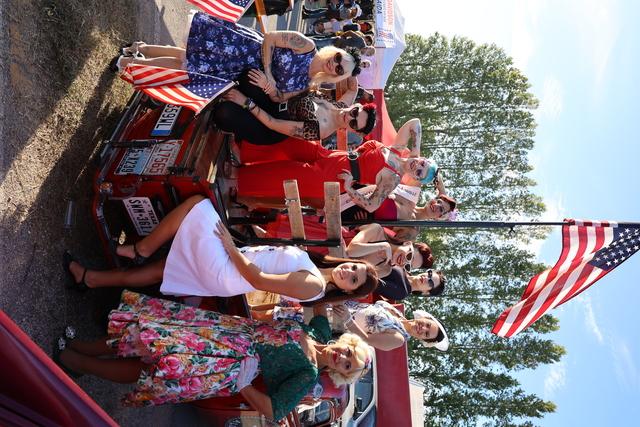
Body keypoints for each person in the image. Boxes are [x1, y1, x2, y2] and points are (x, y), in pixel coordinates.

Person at [55, 291, 373, 421]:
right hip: (227, 330)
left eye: (348, 365)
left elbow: (274, 410)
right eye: (349, 351)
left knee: (155, 365)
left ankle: (78, 363)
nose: (343, 356)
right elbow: (323, 299)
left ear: (341, 373)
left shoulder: (308, 375)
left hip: (225, 366)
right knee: (150, 333)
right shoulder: (319, 331)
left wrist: (244, 385)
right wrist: (343, 299)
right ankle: (82, 347)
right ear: (347, 342)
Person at [64, 196, 378, 304]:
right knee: (161, 271)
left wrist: (230, 246)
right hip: (231, 267)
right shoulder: (316, 266)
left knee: (198, 206)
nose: (349, 271)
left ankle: (140, 248)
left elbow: (259, 280)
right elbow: (269, 259)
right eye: (355, 267)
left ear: (347, 290)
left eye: (353, 279)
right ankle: (89, 279)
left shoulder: (314, 286)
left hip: (228, 271)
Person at [112, 12, 361, 102]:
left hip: (237, 72)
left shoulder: (307, 84)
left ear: (337, 77)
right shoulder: (306, 46)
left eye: (340, 69)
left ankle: (138, 48)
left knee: (185, 60)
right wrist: (268, 72)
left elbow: (278, 97)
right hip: (239, 48)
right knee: (185, 61)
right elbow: (270, 38)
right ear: (335, 52)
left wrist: (268, 86)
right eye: (339, 58)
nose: (335, 64)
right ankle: (128, 62)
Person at [235, 118, 437, 210]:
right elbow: (415, 123)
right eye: (422, 163)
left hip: (335, 177)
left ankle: (237, 178)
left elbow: (372, 205)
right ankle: (242, 150)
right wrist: (415, 152)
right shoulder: (398, 148)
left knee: (286, 174)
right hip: (333, 156)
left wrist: (349, 188)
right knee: (292, 142)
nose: (417, 167)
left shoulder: (392, 178)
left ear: (415, 178)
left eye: (420, 172)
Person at [215, 73, 376, 145]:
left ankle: (231, 128)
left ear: (353, 130)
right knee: (250, 76)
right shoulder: (343, 106)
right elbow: (353, 89)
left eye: (354, 124)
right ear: (357, 106)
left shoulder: (321, 130)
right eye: (355, 113)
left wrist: (246, 102)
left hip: (268, 127)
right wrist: (353, 63)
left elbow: (272, 123)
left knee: (224, 112)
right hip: (275, 103)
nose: (350, 117)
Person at [333, 300, 449, 351]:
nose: (423, 328)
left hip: (336, 324)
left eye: (426, 334)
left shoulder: (398, 339)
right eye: (428, 325)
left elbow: (366, 339)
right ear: (425, 318)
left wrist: (347, 319)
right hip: (339, 304)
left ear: (423, 339)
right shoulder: (397, 313)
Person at [376, 267, 446, 301]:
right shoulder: (405, 266)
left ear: (426, 292)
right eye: (429, 274)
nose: (426, 278)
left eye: (430, 282)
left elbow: (375, 283)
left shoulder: (402, 292)